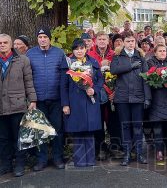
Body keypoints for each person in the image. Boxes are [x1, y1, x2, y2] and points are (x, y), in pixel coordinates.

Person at [27, 28, 66, 171]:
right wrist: (31, 98)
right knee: (40, 130)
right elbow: (27, 77)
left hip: (56, 99)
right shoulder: (30, 54)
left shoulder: (59, 53)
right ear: (37, 39)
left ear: (50, 39)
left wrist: (64, 99)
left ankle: (57, 158)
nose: (42, 39)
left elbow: (64, 76)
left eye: (45, 37)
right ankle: (41, 160)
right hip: (38, 100)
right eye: (40, 37)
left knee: (57, 130)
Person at [110, 32, 151, 166]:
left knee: (138, 126)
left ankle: (139, 153)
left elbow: (146, 78)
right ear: (123, 43)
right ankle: (127, 154)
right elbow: (113, 70)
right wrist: (130, 66)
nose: (130, 43)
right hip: (122, 97)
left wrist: (147, 97)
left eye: (132, 41)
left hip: (138, 97)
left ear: (135, 42)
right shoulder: (117, 56)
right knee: (125, 126)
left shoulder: (141, 57)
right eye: (127, 41)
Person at [60, 38, 103, 167]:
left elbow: (100, 81)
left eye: (81, 48)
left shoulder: (93, 62)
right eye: (76, 49)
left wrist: (94, 90)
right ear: (73, 50)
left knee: (89, 131)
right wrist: (65, 104)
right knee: (78, 131)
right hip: (74, 102)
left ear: (86, 49)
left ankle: (90, 160)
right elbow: (63, 86)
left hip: (90, 101)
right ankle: (79, 160)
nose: (79, 51)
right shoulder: (67, 63)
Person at [0, 34, 37, 177]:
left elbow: (29, 82)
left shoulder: (22, 60)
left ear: (11, 45)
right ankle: (5, 164)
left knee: (19, 137)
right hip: (1, 107)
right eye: (0, 43)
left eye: (5, 42)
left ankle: (20, 164)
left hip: (17, 105)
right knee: (3, 138)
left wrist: (32, 100)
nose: (2, 45)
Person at [88, 32, 114, 160]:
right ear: (95, 41)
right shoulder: (90, 55)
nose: (102, 41)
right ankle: (100, 148)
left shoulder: (114, 55)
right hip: (96, 93)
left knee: (112, 121)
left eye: (104, 39)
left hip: (111, 94)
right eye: (100, 39)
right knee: (98, 121)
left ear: (108, 41)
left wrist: (114, 91)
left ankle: (115, 147)